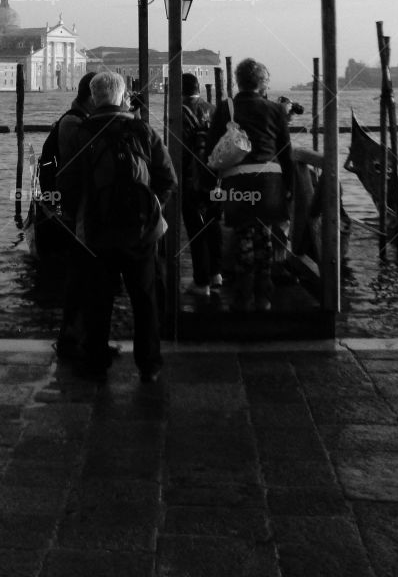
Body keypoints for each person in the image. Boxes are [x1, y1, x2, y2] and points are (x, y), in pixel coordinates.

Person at [57, 70, 177, 383]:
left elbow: (67, 183)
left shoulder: (81, 133)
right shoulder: (142, 130)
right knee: (145, 299)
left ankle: (97, 362)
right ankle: (149, 365)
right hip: (141, 232)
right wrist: (152, 210)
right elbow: (168, 179)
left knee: (99, 300)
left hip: (97, 232)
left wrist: (79, 217)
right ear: (123, 96)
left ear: (94, 99)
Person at [206, 58, 293, 312]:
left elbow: (213, 148)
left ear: (238, 81)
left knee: (244, 235)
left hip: (238, 180)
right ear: (263, 83)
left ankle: (243, 296)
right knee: (264, 236)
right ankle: (263, 296)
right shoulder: (275, 110)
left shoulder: (226, 108)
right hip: (269, 181)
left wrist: (211, 187)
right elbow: (285, 151)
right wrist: (290, 187)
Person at [47, 74, 96, 359]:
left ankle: (77, 331)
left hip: (75, 206)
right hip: (75, 208)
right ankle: (72, 334)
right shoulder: (73, 124)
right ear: (91, 97)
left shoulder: (77, 121)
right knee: (81, 274)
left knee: (82, 274)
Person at [179, 73, 221, 306]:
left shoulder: (178, 111)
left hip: (190, 178)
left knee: (195, 227)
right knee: (213, 222)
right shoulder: (213, 109)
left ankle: (201, 281)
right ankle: (217, 274)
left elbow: (179, 148)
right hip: (214, 176)